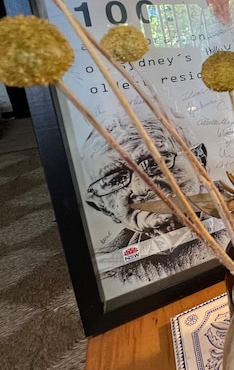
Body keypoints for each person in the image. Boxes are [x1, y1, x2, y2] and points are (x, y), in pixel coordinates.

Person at [83, 114, 212, 285]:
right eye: (114, 180)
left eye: (156, 163)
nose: (141, 188)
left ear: (198, 161)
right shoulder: (109, 273)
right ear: (103, 207)